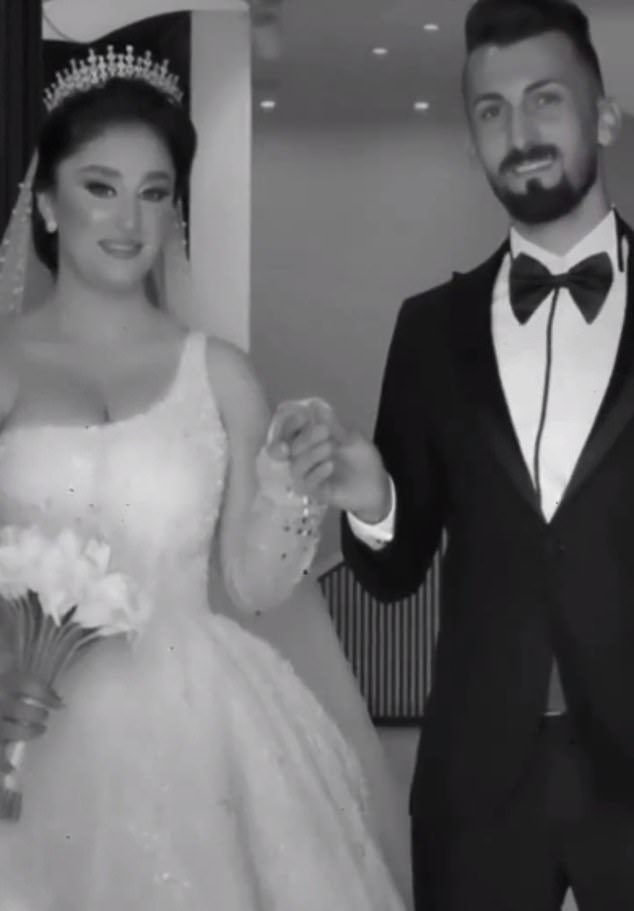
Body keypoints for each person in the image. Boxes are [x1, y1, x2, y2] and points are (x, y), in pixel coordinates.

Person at [0, 47, 410, 910]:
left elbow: (253, 586)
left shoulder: (218, 372)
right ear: (46, 202)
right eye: (101, 186)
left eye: (155, 193)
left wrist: (290, 487)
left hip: (198, 723)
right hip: (25, 722)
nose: (129, 218)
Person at [286, 0, 634, 908]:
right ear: (471, 142)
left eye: (545, 98)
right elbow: (396, 571)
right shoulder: (430, 331)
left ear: (604, 115)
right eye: (491, 110)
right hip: (478, 786)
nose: (519, 132)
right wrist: (374, 499)